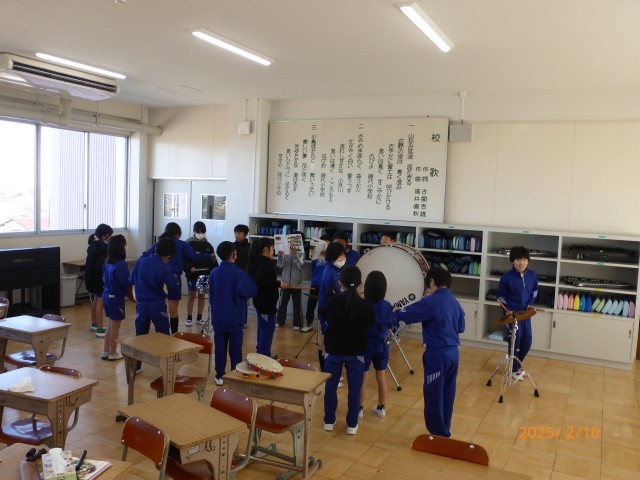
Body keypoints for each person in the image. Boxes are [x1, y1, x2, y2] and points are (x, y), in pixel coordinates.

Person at [394, 267, 465, 438]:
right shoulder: (455, 302)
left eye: (427, 287)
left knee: (434, 394)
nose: (426, 291)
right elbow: (461, 327)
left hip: (437, 355)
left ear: (432, 282)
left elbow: (406, 315)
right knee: (448, 393)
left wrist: (394, 312)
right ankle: (445, 430)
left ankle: (438, 435)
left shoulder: (431, 301)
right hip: (454, 353)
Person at [321, 265, 374, 435]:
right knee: (355, 389)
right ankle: (352, 424)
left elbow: (323, 317)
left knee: (330, 386)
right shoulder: (365, 305)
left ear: (340, 282)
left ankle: (329, 421)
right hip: (356, 352)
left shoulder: (332, 302)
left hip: (333, 350)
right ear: (360, 284)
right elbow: (368, 325)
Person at [143, 222, 214, 334]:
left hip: (158, 277)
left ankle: (158, 334)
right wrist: (208, 256)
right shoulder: (182, 244)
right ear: (178, 234)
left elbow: (144, 255)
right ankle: (174, 334)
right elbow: (194, 256)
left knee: (158, 305)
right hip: (174, 278)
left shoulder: (159, 243)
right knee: (173, 309)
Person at [209, 241, 257, 386]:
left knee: (220, 348)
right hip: (235, 318)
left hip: (218, 317)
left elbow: (211, 293)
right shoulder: (239, 273)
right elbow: (250, 291)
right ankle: (235, 374)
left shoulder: (214, 272)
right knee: (235, 349)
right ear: (234, 255)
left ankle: (219, 375)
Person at [498, 245, 538, 381]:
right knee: (515, 341)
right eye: (518, 259)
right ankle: (513, 369)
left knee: (527, 341)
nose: (522, 263)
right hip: (512, 315)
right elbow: (501, 297)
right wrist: (508, 309)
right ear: (512, 261)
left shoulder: (532, 275)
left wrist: (531, 302)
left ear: (528, 261)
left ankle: (517, 365)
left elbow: (535, 290)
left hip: (526, 314)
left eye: (525, 260)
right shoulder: (506, 278)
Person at [359, 270, 394, 419]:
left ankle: (359, 409)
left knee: (363, 377)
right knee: (381, 376)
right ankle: (381, 407)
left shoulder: (362, 305)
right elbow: (391, 324)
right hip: (382, 345)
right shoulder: (387, 305)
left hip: (365, 345)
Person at [129, 237, 179, 337]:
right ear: (168, 256)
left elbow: (130, 281)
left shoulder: (140, 261)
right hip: (157, 304)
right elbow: (173, 286)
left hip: (141, 305)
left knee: (140, 336)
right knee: (163, 336)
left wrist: (134, 294)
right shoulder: (164, 266)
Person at [248, 237, 285, 357]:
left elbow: (265, 280)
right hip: (265, 303)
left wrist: (277, 283)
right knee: (267, 330)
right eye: (272, 248)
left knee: (263, 328)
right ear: (266, 249)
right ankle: (264, 355)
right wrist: (278, 283)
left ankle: (261, 352)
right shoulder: (263, 263)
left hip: (262, 301)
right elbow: (263, 281)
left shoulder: (258, 261)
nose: (273, 250)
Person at [316, 241, 346, 371]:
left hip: (326, 309)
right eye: (340, 257)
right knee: (326, 343)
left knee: (324, 340)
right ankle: (327, 372)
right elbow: (338, 293)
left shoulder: (332, 268)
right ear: (333, 257)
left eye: (344, 256)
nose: (343, 259)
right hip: (328, 311)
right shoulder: (331, 272)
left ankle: (325, 371)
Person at [101, 234, 130, 361]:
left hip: (106, 295)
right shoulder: (121, 264)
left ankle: (105, 351)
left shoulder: (107, 263)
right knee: (115, 327)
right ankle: (113, 353)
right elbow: (124, 282)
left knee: (110, 325)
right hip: (116, 297)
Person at [183, 221, 217, 327]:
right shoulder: (188, 244)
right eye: (198, 232)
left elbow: (213, 260)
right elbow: (184, 259)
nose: (201, 234)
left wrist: (213, 268)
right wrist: (189, 267)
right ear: (194, 231)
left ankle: (199, 317)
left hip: (204, 275)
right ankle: (189, 318)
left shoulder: (208, 245)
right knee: (191, 296)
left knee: (202, 296)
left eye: (203, 232)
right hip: (192, 275)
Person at [85, 223, 113, 338]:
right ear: (104, 236)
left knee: (96, 299)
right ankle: (100, 329)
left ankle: (95, 324)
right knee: (100, 301)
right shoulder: (103, 249)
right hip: (98, 279)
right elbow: (101, 266)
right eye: (110, 236)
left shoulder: (93, 246)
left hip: (91, 278)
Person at [276, 231, 305, 330]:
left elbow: (301, 265)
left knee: (297, 304)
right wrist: (280, 256)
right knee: (282, 303)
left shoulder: (302, 252)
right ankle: (280, 321)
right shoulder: (285, 250)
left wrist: (295, 255)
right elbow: (280, 265)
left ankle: (297, 324)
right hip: (285, 282)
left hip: (296, 283)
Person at [303, 234, 331, 332]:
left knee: (325, 305)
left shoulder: (332, 258)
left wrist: (328, 257)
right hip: (315, 282)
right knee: (311, 304)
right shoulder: (316, 257)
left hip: (326, 284)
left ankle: (324, 325)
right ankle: (308, 324)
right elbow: (313, 268)